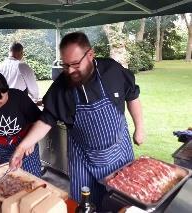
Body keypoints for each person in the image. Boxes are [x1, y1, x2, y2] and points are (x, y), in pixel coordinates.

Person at [10, 32, 144, 208]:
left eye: (75, 64)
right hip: (83, 159)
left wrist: (139, 128)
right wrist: (22, 146)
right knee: (84, 205)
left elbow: (132, 95)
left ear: (90, 54)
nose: (70, 70)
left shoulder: (112, 70)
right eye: (65, 65)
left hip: (119, 153)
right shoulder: (61, 88)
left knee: (120, 204)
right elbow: (47, 118)